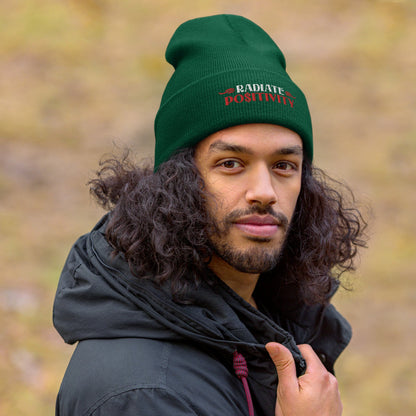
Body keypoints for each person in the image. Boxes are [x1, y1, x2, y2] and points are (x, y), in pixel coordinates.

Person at [53, 14, 367, 416]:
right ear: (177, 181)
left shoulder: (265, 317)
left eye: (284, 165)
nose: (265, 193)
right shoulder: (144, 394)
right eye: (231, 163)